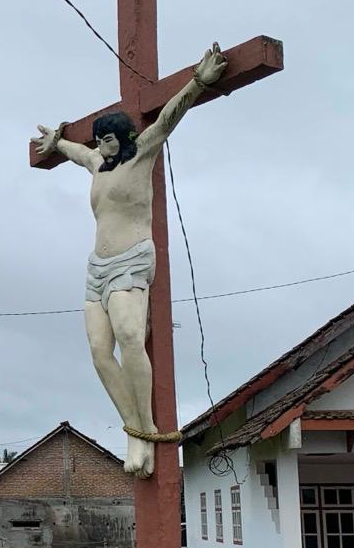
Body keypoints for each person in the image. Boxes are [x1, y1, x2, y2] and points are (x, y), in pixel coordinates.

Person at [31, 43, 227, 477]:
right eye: (99, 140)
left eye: (107, 139)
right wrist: (57, 142)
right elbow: (74, 151)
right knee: (100, 352)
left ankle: (146, 431)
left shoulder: (141, 155)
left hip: (131, 260)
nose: (101, 146)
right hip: (97, 269)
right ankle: (136, 430)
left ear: (123, 138)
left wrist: (198, 82)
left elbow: (167, 118)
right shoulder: (97, 164)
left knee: (129, 336)